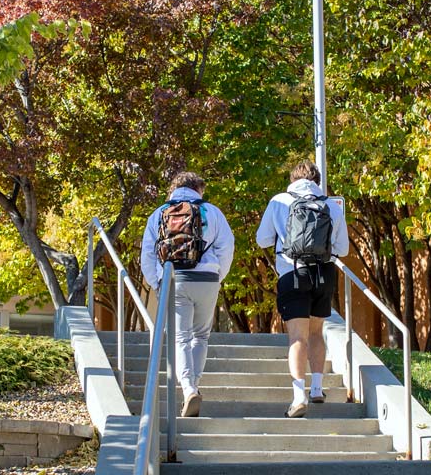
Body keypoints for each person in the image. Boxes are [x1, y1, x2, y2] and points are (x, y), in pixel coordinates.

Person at [255, 161, 348, 418]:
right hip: (323, 274)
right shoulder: (329, 205)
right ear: (317, 180)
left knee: (298, 337)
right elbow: (343, 248)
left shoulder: (279, 201)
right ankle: (317, 388)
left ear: (292, 178)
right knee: (317, 332)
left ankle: (299, 397)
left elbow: (261, 239)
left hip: (292, 272)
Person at [141, 172, 234, 417]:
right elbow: (227, 247)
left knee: (180, 338)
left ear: (173, 189)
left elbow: (148, 255)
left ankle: (188, 388)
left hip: (175, 279)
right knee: (201, 336)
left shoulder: (159, 213)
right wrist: (216, 275)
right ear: (198, 189)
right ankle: (194, 384)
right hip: (207, 279)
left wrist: (158, 283)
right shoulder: (212, 212)